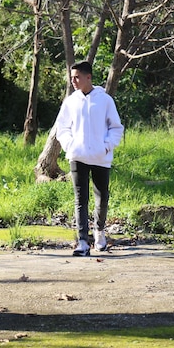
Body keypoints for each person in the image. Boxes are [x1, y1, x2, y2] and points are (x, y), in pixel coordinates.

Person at [55, 61, 124, 256]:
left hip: (101, 157)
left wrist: (106, 146)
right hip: (77, 156)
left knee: (101, 197)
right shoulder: (71, 101)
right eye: (72, 77)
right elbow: (63, 127)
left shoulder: (105, 100)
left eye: (77, 77)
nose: (73, 81)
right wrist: (70, 146)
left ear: (88, 77)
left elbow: (116, 127)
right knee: (80, 198)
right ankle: (83, 242)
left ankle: (100, 233)